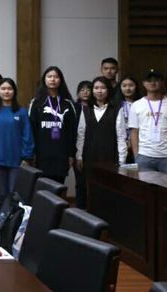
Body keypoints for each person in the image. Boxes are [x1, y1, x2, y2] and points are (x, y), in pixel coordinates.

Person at [75, 76, 127, 209]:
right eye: (96, 88)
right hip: (89, 155)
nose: (99, 91)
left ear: (108, 90)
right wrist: (79, 156)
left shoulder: (117, 109)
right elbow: (81, 134)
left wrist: (122, 160)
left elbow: (121, 137)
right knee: (88, 188)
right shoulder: (86, 109)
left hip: (109, 156)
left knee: (108, 190)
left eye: (103, 88)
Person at [128, 69, 167, 176]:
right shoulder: (136, 105)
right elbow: (134, 132)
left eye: (156, 80)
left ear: (162, 82)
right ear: (144, 83)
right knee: (144, 187)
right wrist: (137, 157)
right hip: (144, 156)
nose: (153, 82)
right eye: (149, 80)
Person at [0, 78, 34, 204]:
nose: (6, 92)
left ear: (14, 91)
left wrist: (26, 157)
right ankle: (3, 216)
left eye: (9, 89)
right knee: (2, 194)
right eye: (3, 89)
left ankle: (13, 217)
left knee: (14, 193)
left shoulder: (22, 112)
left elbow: (27, 136)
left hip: (17, 161)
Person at [28, 66, 77, 185]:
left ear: (61, 80)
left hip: (61, 153)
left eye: (56, 77)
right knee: (42, 187)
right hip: (41, 153)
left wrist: (71, 154)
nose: (53, 79)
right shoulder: (36, 102)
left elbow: (72, 131)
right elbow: (31, 129)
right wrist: (32, 153)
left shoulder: (68, 103)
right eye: (49, 76)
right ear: (44, 80)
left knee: (59, 187)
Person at [115, 75, 141, 163]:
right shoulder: (115, 105)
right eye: (124, 86)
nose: (128, 88)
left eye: (131, 85)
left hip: (140, 144)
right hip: (120, 144)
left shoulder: (142, 104)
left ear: (136, 87)